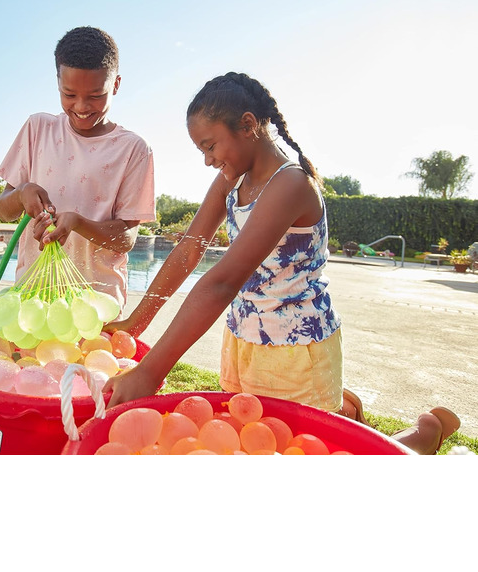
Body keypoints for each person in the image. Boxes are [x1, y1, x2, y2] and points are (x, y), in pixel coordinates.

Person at [103, 71, 459, 454]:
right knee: (254, 446)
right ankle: (343, 409)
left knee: (312, 459)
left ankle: (424, 433)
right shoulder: (231, 180)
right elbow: (189, 250)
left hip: (297, 352)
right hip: (243, 340)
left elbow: (222, 282)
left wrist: (151, 371)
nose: (207, 161)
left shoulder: (291, 184)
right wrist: (136, 323)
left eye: (210, 146)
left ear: (248, 125)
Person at [0, 26, 156, 310]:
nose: (81, 106)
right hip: (34, 301)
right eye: (69, 94)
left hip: (96, 306)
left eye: (96, 95)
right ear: (57, 83)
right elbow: (3, 210)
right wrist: (21, 193)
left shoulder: (134, 150)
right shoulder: (37, 129)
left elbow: (127, 238)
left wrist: (80, 224)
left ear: (116, 85)